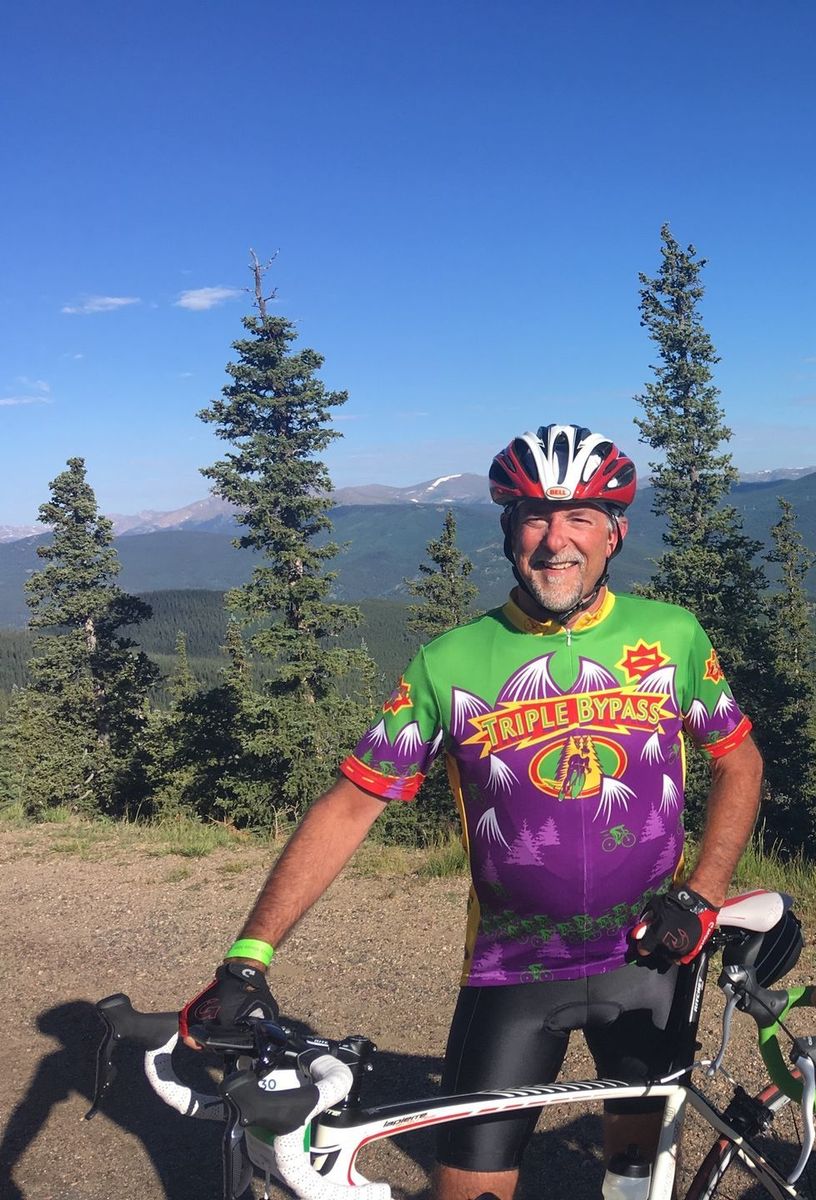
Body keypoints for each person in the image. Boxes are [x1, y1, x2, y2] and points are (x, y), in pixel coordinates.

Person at [181, 424, 763, 1200]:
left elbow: (738, 760)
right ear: (509, 532)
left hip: (651, 957)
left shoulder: (672, 636)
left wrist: (703, 891)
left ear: (615, 534)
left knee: (636, 1175)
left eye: (580, 517)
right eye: (535, 518)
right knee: (470, 1185)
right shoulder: (449, 662)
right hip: (512, 970)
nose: (557, 541)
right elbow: (353, 803)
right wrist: (247, 957)